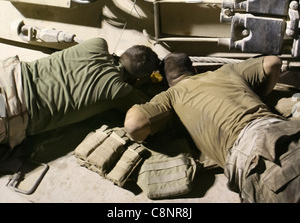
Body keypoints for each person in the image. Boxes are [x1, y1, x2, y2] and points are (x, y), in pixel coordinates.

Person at [124, 52, 300, 203]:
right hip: (285, 129)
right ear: (194, 69)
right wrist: (258, 95)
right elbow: (273, 63)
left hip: (257, 155)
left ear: (168, 82)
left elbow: (133, 125)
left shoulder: (170, 96)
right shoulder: (226, 71)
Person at [0, 37, 162, 149]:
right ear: (139, 78)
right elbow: (148, 107)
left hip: (8, 75)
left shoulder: (98, 43)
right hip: (13, 111)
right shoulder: (120, 90)